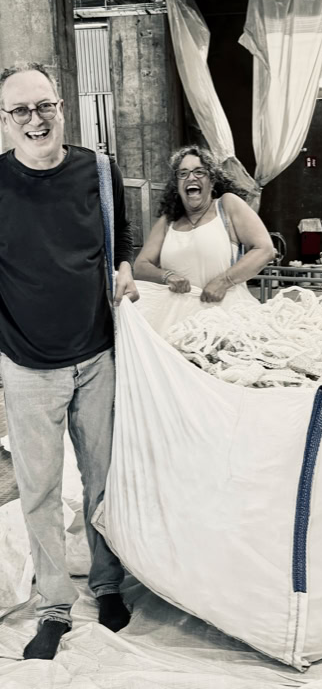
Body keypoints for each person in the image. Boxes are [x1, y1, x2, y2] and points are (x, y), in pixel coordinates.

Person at [0, 62, 139, 660]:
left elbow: (121, 236)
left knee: (103, 481)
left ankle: (108, 585)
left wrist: (124, 267)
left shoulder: (99, 171)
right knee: (39, 491)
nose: (35, 120)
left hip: (96, 357)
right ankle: (54, 606)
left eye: (45, 106)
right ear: (4, 120)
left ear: (61, 106)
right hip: (27, 366)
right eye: (20, 110)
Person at [134, 145, 274, 304]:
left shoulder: (227, 205)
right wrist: (166, 276)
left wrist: (223, 281)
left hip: (225, 310)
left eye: (199, 172)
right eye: (183, 173)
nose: (191, 178)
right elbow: (140, 266)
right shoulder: (168, 221)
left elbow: (265, 250)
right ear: (177, 185)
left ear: (212, 181)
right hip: (175, 312)